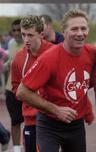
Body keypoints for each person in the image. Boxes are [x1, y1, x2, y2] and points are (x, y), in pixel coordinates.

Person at [16, 9, 96, 152]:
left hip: (76, 125)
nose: (80, 33)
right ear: (64, 31)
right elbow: (22, 92)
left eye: (83, 28)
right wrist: (56, 110)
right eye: (74, 29)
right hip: (49, 125)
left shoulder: (91, 52)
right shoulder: (49, 58)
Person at [11, 15, 54, 152]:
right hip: (31, 121)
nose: (26, 39)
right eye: (24, 35)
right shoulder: (18, 58)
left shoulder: (55, 52)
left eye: (30, 35)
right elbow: (15, 88)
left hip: (53, 119)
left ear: (41, 34)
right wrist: (31, 97)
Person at [4, 19, 24, 152]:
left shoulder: (30, 44)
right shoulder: (10, 44)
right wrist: (6, 66)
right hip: (11, 89)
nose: (16, 33)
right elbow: (10, 62)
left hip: (28, 90)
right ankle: (16, 149)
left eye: (19, 30)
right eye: (14, 30)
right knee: (15, 121)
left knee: (31, 123)